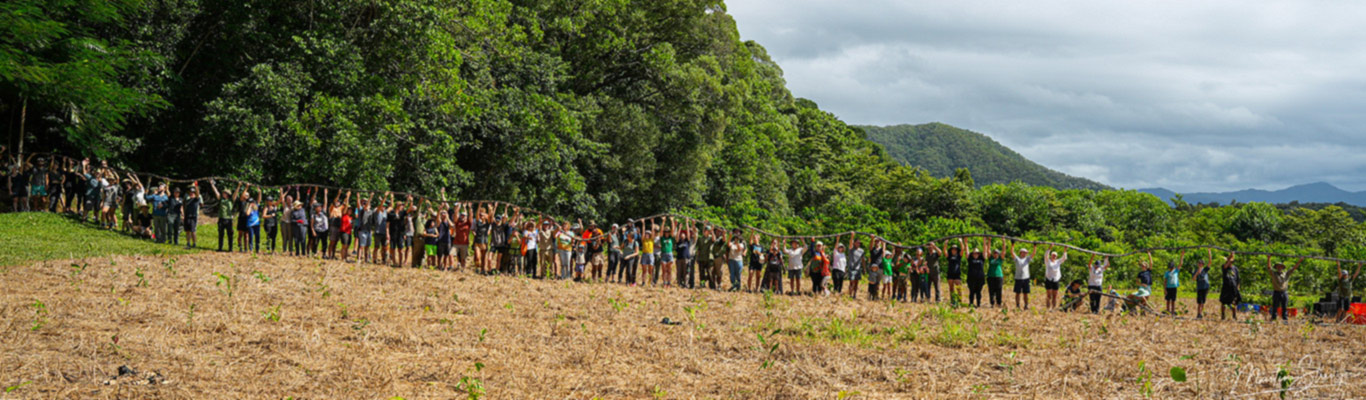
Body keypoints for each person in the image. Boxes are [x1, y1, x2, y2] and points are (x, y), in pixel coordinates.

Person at [1265, 255, 1302, 322]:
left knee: (1284, 307)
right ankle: (1273, 319)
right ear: (1276, 267)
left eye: (1280, 266)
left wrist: (1299, 261)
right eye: (1278, 266)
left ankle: (1285, 319)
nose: (1279, 268)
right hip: (1276, 292)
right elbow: (1269, 268)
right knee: (1275, 307)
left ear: (1282, 268)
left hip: (1284, 292)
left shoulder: (1286, 274)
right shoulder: (1274, 274)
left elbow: (1294, 268)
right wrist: (1269, 258)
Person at [209, 180, 237, 251]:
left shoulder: (231, 200)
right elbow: (216, 192)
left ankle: (230, 248)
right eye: (223, 193)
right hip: (221, 219)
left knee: (230, 234)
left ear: (227, 194)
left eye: (225, 193)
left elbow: (235, 194)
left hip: (228, 219)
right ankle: (220, 248)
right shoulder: (221, 199)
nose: (223, 194)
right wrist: (212, 185)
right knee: (221, 234)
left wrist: (239, 186)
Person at [1009, 241, 1037, 310]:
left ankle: (1026, 305)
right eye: (1023, 252)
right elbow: (1012, 252)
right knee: (1017, 293)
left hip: (1026, 278)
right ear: (1020, 253)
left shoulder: (1027, 259)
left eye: (1025, 253)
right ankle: (1017, 305)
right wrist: (1012, 244)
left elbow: (1033, 254)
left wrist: (1034, 246)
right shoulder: (1017, 259)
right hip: (1018, 278)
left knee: (1025, 293)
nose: (1024, 254)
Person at [1190, 249, 1213, 319]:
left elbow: (1210, 262)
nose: (1200, 264)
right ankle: (1198, 313)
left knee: (1203, 301)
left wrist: (1209, 252)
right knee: (1199, 301)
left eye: (1201, 263)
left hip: (1205, 287)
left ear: (1203, 264)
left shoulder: (1205, 270)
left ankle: (1200, 313)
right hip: (1199, 287)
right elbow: (1193, 279)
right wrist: (1197, 273)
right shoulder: (1196, 270)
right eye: (1199, 263)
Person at [1219, 252, 1240, 321]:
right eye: (1229, 260)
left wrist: (1238, 288)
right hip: (1226, 287)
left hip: (1233, 288)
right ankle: (1223, 315)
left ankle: (1234, 316)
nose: (1230, 262)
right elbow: (1226, 265)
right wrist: (1231, 256)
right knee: (1223, 302)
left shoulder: (1235, 269)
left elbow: (1238, 279)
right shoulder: (1224, 267)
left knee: (1234, 302)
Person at [965, 238, 986, 307]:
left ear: (979, 254)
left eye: (977, 253)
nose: (975, 254)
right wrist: (966, 243)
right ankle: (971, 303)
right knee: (971, 291)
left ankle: (978, 304)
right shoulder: (970, 259)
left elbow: (985, 251)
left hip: (980, 278)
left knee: (978, 292)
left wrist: (984, 241)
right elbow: (967, 252)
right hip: (971, 278)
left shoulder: (981, 259)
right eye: (974, 253)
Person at [986, 238, 1005, 308]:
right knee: (991, 290)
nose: (995, 254)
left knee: (999, 290)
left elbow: (1004, 251)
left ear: (998, 254)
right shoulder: (991, 258)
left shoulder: (1000, 259)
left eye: (996, 253)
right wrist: (989, 241)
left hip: (999, 276)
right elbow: (988, 250)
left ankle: (999, 303)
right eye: (994, 253)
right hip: (990, 276)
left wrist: (1003, 242)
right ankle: (992, 303)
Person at [846, 235, 865, 299]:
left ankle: (854, 295)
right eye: (857, 242)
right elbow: (850, 243)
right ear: (854, 243)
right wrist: (852, 236)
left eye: (859, 243)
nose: (858, 244)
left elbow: (863, 260)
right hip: (852, 268)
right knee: (851, 282)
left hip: (858, 269)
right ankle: (850, 294)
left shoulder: (861, 251)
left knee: (856, 283)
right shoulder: (851, 249)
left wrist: (864, 269)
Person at [659, 221, 676, 287]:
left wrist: (672, 221)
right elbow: (661, 231)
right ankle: (664, 282)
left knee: (669, 270)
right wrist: (663, 221)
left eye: (668, 232)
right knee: (664, 270)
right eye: (665, 232)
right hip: (663, 254)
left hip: (669, 254)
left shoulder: (671, 238)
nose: (667, 233)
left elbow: (673, 230)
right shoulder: (662, 238)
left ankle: (669, 282)